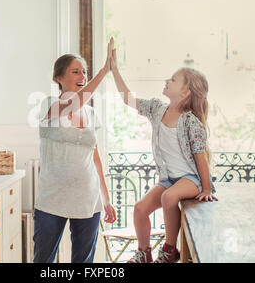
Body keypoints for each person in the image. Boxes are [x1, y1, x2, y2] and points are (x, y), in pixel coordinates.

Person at [108, 44, 217, 264]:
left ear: (185, 93)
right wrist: (114, 70)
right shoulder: (157, 108)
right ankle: (143, 252)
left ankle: (169, 250)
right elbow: (128, 98)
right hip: (168, 179)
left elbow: (200, 157)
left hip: (190, 180)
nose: (167, 81)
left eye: (173, 80)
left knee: (169, 197)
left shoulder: (190, 122)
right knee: (139, 209)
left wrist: (206, 188)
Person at [33, 40, 117, 263]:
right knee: (44, 261)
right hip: (52, 198)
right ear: (58, 78)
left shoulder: (90, 112)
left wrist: (106, 199)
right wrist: (104, 71)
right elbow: (73, 103)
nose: (83, 77)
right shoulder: (47, 105)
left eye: (85, 72)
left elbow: (95, 158)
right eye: (76, 72)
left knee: (84, 263)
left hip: (87, 196)